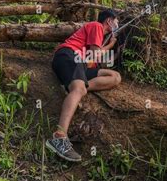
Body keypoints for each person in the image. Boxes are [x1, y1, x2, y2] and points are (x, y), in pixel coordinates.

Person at [47, 9, 122, 162]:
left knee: (115, 77)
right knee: (79, 88)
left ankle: (75, 90)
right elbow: (95, 54)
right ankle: (59, 137)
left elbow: (95, 61)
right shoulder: (96, 26)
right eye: (117, 21)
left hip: (81, 65)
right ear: (109, 21)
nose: (118, 24)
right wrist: (111, 44)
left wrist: (113, 48)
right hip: (69, 55)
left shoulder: (100, 37)